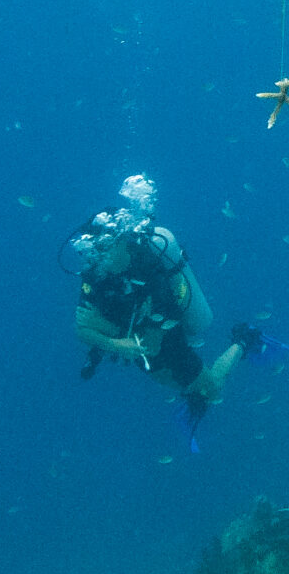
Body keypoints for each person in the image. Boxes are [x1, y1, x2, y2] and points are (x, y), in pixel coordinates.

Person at [68, 175, 261, 443]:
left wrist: (109, 334)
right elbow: (81, 329)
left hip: (165, 332)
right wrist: (116, 343)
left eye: (109, 250)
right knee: (179, 385)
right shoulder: (96, 272)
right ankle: (195, 394)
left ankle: (245, 338)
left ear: (123, 242)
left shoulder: (148, 265)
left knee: (212, 388)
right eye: (99, 251)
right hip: (136, 334)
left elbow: (151, 345)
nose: (104, 259)